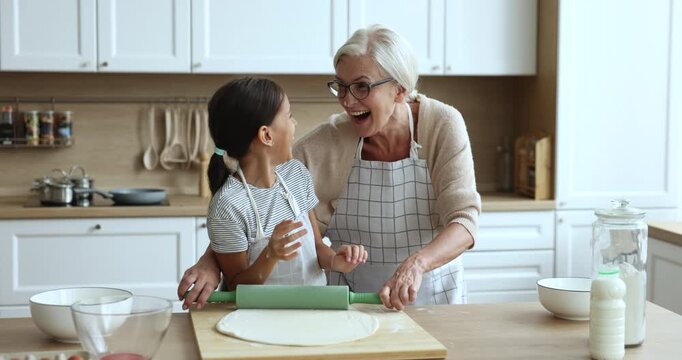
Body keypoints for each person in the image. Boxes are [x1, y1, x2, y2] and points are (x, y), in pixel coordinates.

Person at [178, 25, 480, 311]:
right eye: (342, 86)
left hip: (433, 297)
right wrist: (211, 261)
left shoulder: (441, 124)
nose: (347, 101)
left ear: (399, 90)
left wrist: (418, 263)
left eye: (362, 87)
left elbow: (464, 221)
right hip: (353, 303)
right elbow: (256, 197)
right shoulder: (324, 144)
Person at [188, 77, 367, 303]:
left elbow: (317, 247)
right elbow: (236, 286)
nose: (295, 124)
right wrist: (270, 255)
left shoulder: (296, 174)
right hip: (261, 320)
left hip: (312, 309)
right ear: (266, 135)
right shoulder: (228, 205)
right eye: (289, 115)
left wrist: (335, 261)